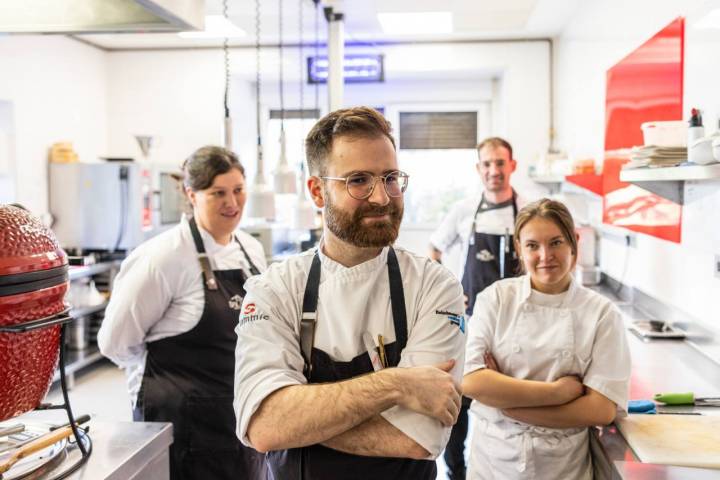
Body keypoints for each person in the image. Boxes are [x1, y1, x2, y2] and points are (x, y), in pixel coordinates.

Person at [233, 106, 466, 480]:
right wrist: (397, 384)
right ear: (317, 191)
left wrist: (301, 422)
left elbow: (420, 438)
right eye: (358, 180)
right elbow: (264, 426)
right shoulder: (274, 290)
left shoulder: (435, 287)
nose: (381, 197)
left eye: (390, 177)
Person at [98, 146, 268, 480]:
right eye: (218, 193)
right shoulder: (161, 259)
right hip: (182, 423)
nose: (232, 203)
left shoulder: (251, 249)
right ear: (192, 194)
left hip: (237, 415)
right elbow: (116, 342)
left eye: (238, 190)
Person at [462, 198, 631, 479]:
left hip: (561, 467)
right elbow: (471, 381)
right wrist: (557, 394)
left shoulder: (602, 314)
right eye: (532, 245)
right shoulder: (496, 299)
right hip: (494, 462)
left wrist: (509, 404)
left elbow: (600, 409)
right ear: (518, 247)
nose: (545, 255)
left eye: (555, 243)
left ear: (574, 243)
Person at [429, 136, 525, 480]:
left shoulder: (527, 210)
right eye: (487, 164)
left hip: (516, 325)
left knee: (506, 402)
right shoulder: (464, 210)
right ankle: (457, 472)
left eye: (500, 163)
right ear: (478, 169)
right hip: (469, 325)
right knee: (460, 402)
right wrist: (450, 291)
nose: (494, 170)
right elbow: (434, 250)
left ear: (512, 166)